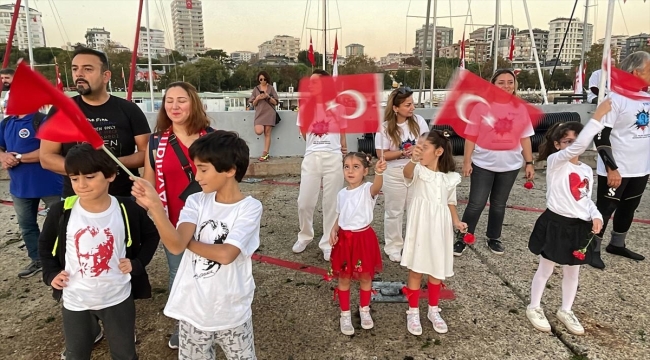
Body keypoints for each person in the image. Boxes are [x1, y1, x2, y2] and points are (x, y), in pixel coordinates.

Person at [131, 130, 262, 360]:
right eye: (196, 168)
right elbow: (174, 246)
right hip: (193, 311)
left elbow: (226, 254)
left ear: (230, 170)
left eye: (203, 169)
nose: (197, 176)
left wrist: (186, 243)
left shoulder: (249, 208)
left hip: (231, 310)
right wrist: (155, 208)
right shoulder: (195, 200)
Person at [38, 144, 159, 360]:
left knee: (125, 354)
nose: (82, 185)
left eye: (90, 177)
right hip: (76, 300)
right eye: (74, 178)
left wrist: (137, 263)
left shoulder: (127, 209)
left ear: (110, 175)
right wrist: (51, 274)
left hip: (117, 298)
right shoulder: (62, 211)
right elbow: (45, 247)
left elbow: (152, 236)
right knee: (77, 354)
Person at [526, 100, 610, 336]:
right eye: (568, 141)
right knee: (546, 268)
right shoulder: (556, 162)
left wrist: (596, 215)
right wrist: (598, 117)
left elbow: (585, 198)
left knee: (574, 270)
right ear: (557, 144)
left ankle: (566, 309)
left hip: (578, 226)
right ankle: (534, 306)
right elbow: (575, 149)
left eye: (578, 140)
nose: (574, 146)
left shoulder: (584, 169)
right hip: (556, 222)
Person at [143, 81, 213, 349]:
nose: (174, 105)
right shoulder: (155, 142)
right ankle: (183, 324)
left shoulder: (212, 138)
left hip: (208, 220)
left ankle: (212, 319)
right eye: (169, 100)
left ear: (193, 103)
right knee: (178, 273)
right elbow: (149, 182)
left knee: (210, 271)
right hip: (172, 221)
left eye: (181, 100)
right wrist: (145, 199)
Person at [40, 47, 151, 198]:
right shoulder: (62, 110)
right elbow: (46, 157)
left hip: (123, 197)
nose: (79, 74)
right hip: (76, 198)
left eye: (87, 69)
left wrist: (113, 163)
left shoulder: (129, 109)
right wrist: (86, 171)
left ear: (106, 76)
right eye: (75, 69)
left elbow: (146, 154)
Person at [454, 68, 535, 256]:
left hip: (510, 165)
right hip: (484, 164)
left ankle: (494, 237)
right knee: (476, 203)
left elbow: (525, 138)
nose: (506, 85)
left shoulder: (520, 108)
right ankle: (463, 236)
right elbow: (471, 136)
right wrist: (467, 161)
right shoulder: (481, 107)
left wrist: (529, 162)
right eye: (501, 82)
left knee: (499, 204)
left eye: (510, 82)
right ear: (493, 84)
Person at [401, 131, 465, 336]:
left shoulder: (449, 178)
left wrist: (456, 221)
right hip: (421, 225)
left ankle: (433, 310)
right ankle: (412, 311)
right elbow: (407, 173)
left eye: (424, 147)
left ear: (438, 151)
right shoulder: (418, 170)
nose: (419, 150)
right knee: (416, 269)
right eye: (417, 146)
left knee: (436, 270)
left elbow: (450, 202)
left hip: (441, 227)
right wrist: (413, 158)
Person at [591, 51, 650, 269]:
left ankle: (617, 244)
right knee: (605, 210)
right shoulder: (614, 99)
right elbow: (600, 136)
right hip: (616, 168)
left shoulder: (647, 98)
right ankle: (592, 248)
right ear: (636, 72)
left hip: (640, 168)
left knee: (629, 208)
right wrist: (611, 167)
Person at [329, 152, 386, 336]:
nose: (350, 171)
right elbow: (340, 215)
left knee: (365, 277)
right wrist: (333, 229)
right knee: (344, 278)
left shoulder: (367, 189)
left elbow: (377, 187)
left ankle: (364, 309)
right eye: (347, 166)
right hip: (345, 241)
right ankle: (344, 314)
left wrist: (379, 173)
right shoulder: (341, 194)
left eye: (356, 167)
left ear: (365, 170)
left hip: (363, 239)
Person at [293, 69, 347, 261]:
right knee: (304, 201)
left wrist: (343, 149)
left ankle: (327, 241)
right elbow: (303, 133)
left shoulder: (338, 106)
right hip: (312, 157)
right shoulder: (305, 107)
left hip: (333, 157)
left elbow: (342, 131)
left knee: (331, 202)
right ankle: (305, 235)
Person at [0, 111, 62, 278]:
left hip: (51, 186)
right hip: (20, 188)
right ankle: (38, 259)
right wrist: (4, 156)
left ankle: (62, 259)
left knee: (61, 223)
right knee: (27, 226)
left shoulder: (42, 120)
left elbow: (50, 150)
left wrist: (19, 157)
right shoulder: (6, 123)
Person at [375, 87, 429, 262]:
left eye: (412, 103)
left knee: (415, 211)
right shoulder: (384, 128)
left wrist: (419, 149)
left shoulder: (419, 121)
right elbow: (381, 154)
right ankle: (393, 246)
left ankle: (414, 246)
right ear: (396, 108)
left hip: (416, 171)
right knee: (394, 211)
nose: (412, 107)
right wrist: (403, 153)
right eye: (408, 104)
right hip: (393, 173)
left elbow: (428, 144)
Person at [248, 71, 279, 161]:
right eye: (261, 79)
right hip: (259, 113)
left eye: (264, 79)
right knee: (259, 131)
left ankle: (265, 153)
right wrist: (258, 98)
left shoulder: (271, 88)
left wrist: (268, 97)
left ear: (267, 79)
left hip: (269, 113)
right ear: (258, 79)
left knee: (267, 133)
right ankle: (265, 153)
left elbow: (276, 102)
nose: (263, 81)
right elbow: (253, 103)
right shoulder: (256, 89)